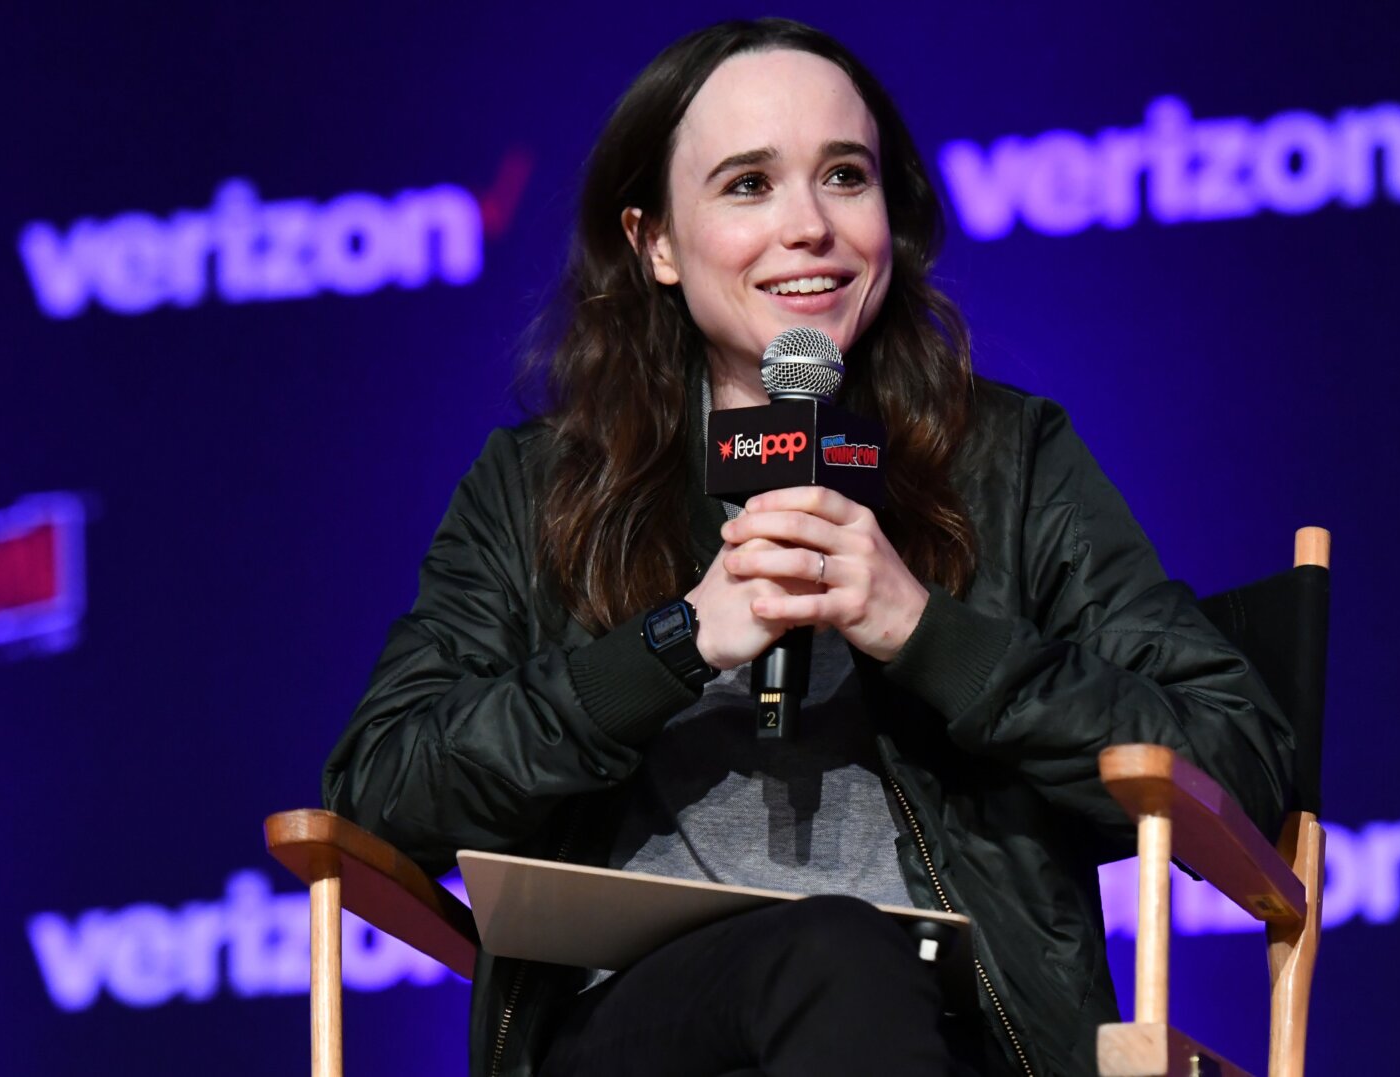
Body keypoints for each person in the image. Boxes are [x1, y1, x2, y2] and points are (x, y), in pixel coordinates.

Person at [323, 17, 1293, 1077]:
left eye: (845, 176)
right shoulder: (541, 484)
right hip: (635, 1037)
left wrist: (927, 633)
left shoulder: (1006, 460)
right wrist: (671, 643)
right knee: (827, 948)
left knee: (845, 955)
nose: (810, 228)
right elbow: (383, 790)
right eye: (748, 185)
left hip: (952, 1032)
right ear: (653, 241)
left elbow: (1236, 757)